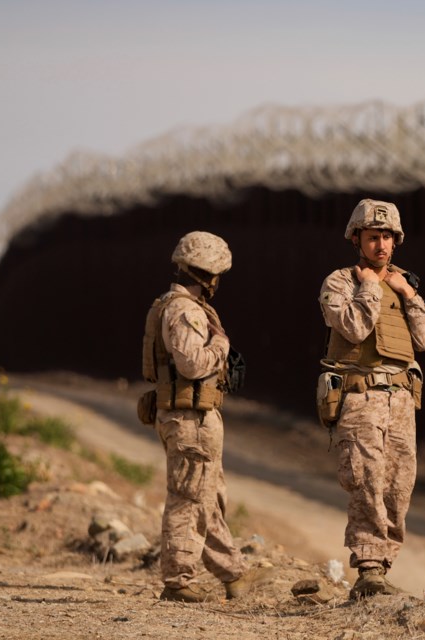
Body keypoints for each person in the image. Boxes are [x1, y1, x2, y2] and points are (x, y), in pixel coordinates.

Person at [317, 199, 425, 599]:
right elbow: (352, 328)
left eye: (387, 237)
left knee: (399, 485)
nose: (381, 245)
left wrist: (407, 294)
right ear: (358, 240)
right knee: (366, 481)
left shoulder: (405, 284)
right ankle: (368, 569)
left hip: (400, 400)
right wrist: (370, 285)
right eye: (373, 237)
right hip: (360, 395)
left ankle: (383, 568)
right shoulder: (340, 282)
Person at [142, 231, 270, 603]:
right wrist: (221, 344)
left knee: (207, 498)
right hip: (190, 419)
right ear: (210, 274)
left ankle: (234, 576)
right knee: (187, 498)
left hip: (191, 416)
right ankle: (178, 581)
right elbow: (192, 363)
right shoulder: (185, 310)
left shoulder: (171, 305)